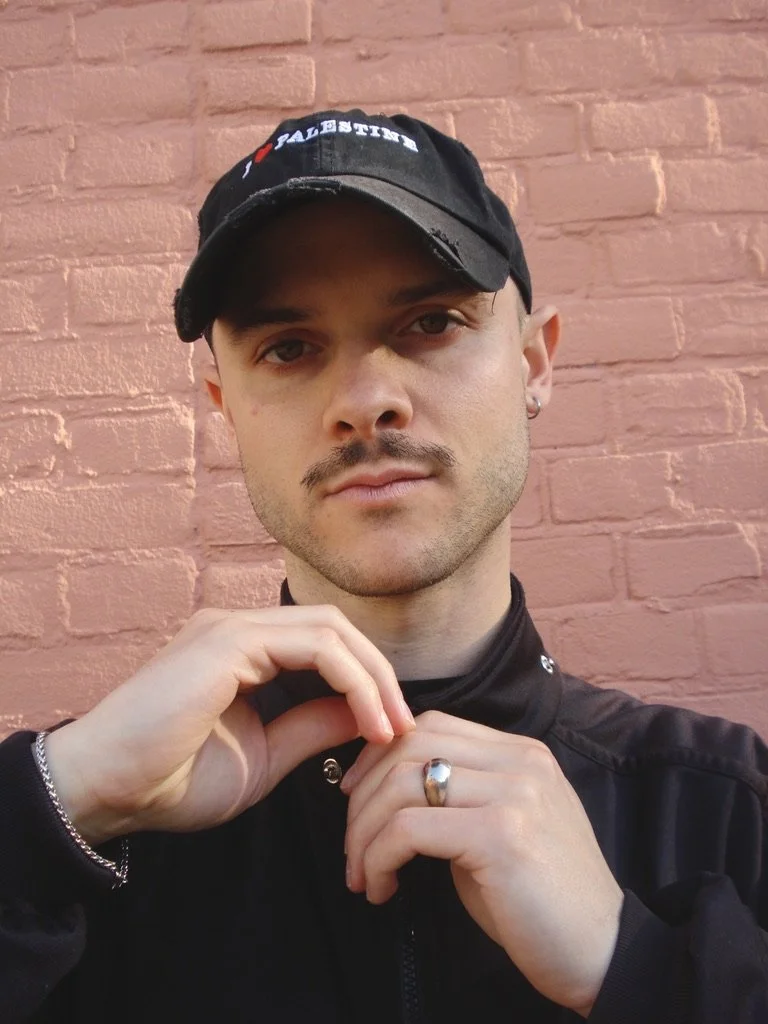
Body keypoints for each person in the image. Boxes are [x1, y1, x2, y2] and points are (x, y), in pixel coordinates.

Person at [1, 108, 766, 1024]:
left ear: (534, 363)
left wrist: (633, 964)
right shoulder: (92, 839)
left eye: (431, 322)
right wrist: (48, 809)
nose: (366, 402)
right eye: (289, 348)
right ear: (224, 405)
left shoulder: (727, 806)